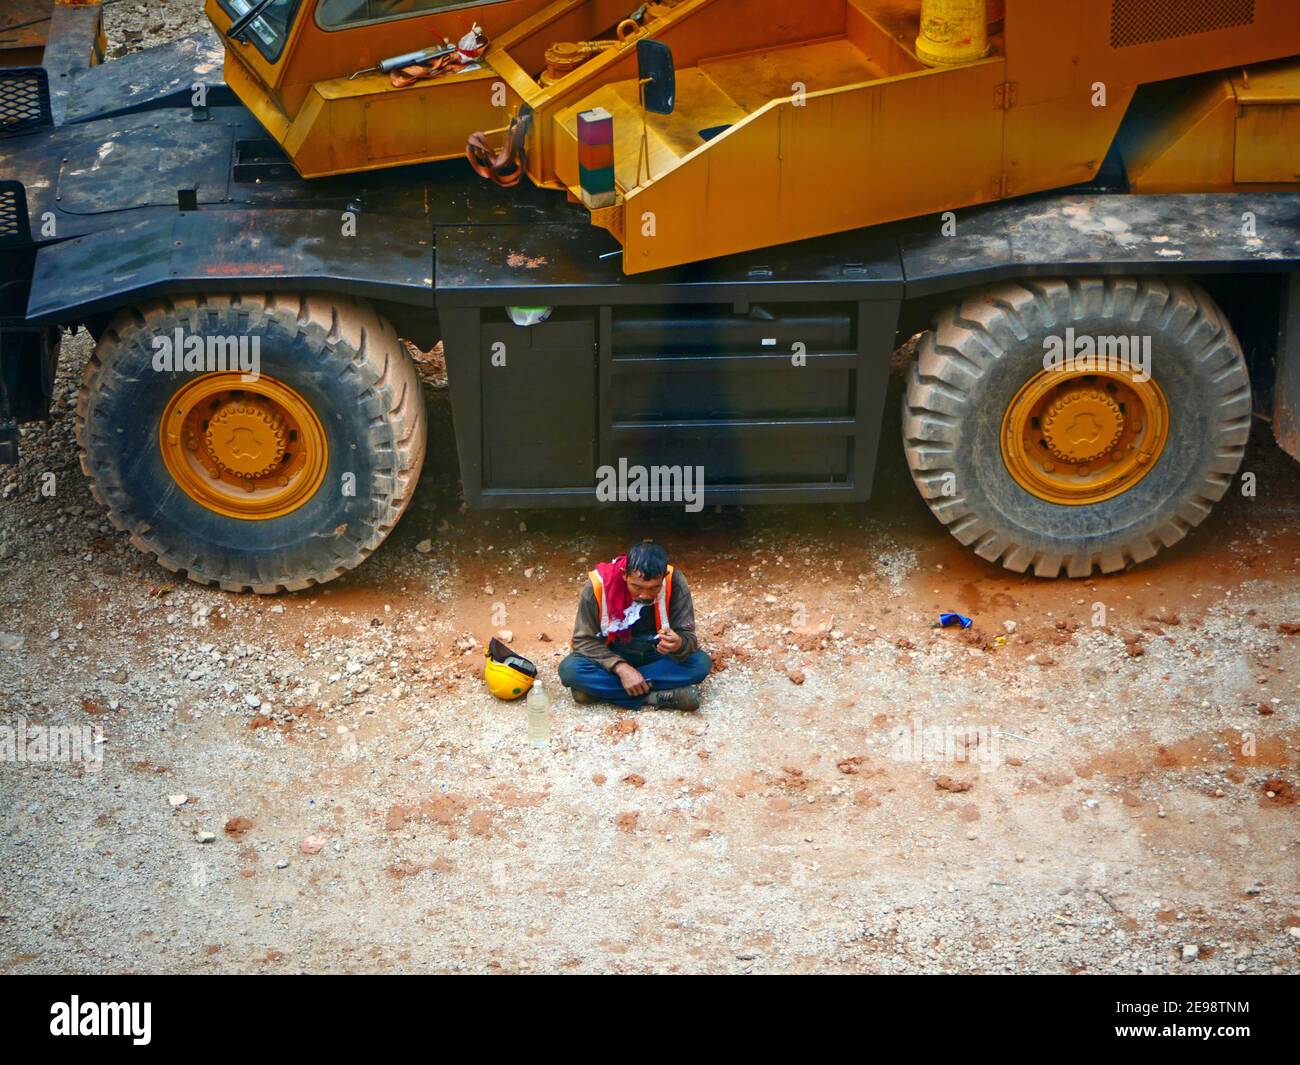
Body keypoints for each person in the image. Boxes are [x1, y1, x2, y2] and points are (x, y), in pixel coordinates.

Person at [559, 541, 712, 710]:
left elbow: (688, 636)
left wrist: (679, 643)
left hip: (656, 655)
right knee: (570, 670)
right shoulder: (598, 585)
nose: (645, 595)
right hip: (612, 653)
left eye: (654, 588)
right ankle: (653, 696)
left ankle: (597, 692)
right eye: (637, 587)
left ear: (664, 575)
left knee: (700, 663)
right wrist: (621, 668)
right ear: (624, 574)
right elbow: (583, 641)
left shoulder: (674, 582)